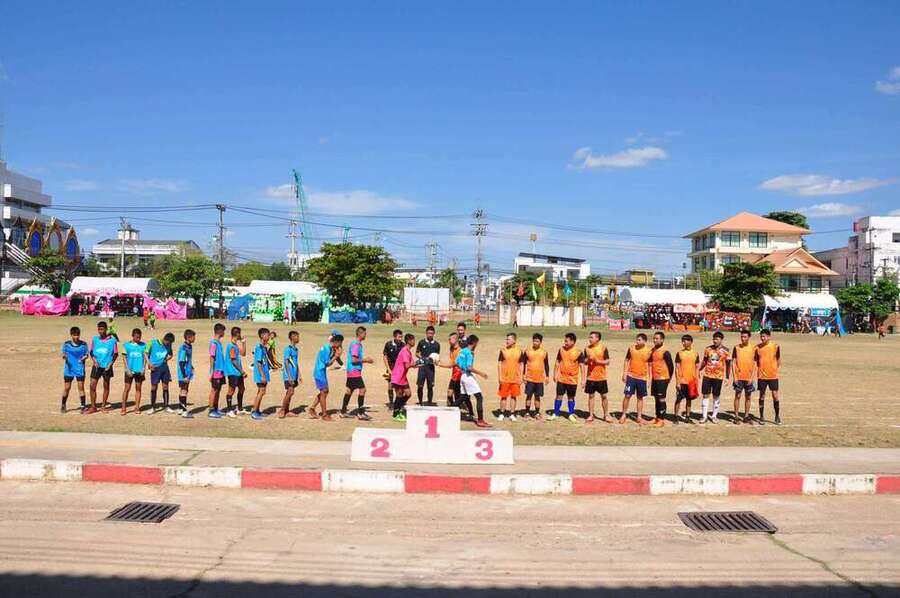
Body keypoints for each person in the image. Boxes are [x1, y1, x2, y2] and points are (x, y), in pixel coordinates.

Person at [455, 334, 491, 428]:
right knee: (479, 397)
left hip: (463, 376)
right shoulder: (469, 353)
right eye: (477, 343)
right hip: (468, 376)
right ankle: (480, 420)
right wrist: (481, 373)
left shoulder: (462, 350)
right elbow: (469, 367)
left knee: (463, 397)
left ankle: (447, 411)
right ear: (474, 342)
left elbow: (457, 362)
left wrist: (462, 368)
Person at [619, 333, 652, 425]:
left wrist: (650, 378)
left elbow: (650, 365)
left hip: (642, 378)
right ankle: (623, 415)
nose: (637, 341)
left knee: (640, 397)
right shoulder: (631, 349)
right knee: (627, 395)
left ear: (644, 341)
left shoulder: (649, 351)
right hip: (631, 377)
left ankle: (639, 417)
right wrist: (624, 373)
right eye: (636, 339)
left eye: (639, 340)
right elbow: (626, 360)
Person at [342, 326, 374, 420]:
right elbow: (354, 360)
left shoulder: (356, 344)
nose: (365, 335)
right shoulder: (356, 344)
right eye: (364, 333)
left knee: (349, 390)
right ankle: (360, 413)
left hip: (351, 371)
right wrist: (366, 360)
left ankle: (343, 412)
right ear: (360, 334)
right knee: (362, 389)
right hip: (354, 371)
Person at [309, 334, 344, 420]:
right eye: (340, 344)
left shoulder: (330, 348)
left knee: (325, 391)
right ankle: (324, 415)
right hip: (319, 372)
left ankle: (312, 408)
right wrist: (336, 356)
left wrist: (336, 355)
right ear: (336, 342)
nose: (340, 346)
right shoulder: (327, 349)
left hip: (321, 372)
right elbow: (328, 364)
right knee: (324, 392)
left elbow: (331, 361)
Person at [699, 331, 730, 424]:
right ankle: (704, 416)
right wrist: (699, 370)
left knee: (716, 396)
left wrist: (727, 377)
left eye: (717, 339)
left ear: (721, 340)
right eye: (714, 339)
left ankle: (714, 416)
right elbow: (704, 361)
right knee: (705, 395)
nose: (715, 341)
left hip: (718, 377)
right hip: (707, 375)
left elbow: (728, 365)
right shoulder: (708, 349)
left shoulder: (726, 350)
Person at [582, 331, 612, 423]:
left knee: (604, 396)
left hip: (601, 377)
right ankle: (591, 415)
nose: (590, 339)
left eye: (591, 337)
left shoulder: (603, 348)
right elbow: (584, 362)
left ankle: (606, 415)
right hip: (590, 377)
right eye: (589, 337)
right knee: (591, 396)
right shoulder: (587, 349)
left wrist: (597, 361)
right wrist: (588, 360)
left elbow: (607, 361)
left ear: (597, 338)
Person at [551, 332, 582, 422]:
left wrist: (583, 379)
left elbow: (582, 366)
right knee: (558, 396)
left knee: (571, 397)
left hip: (572, 380)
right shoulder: (561, 350)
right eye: (564, 341)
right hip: (561, 379)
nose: (565, 343)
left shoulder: (578, 352)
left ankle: (571, 414)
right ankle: (555, 413)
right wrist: (555, 374)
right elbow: (557, 362)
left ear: (573, 342)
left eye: (566, 341)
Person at [89, 321, 118, 413]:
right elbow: (91, 352)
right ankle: (93, 407)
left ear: (106, 329)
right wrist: (94, 361)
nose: (100, 331)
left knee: (106, 387)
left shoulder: (112, 341)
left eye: (102, 329)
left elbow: (115, 354)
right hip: (96, 366)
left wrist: (110, 364)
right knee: (92, 385)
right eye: (99, 329)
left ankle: (103, 406)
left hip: (106, 367)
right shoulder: (95, 339)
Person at [755, 329, 782, 425]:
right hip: (762, 376)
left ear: (769, 337)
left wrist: (774, 369)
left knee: (775, 395)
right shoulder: (757, 347)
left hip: (773, 376)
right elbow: (756, 361)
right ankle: (761, 416)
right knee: (762, 395)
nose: (762, 338)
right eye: (761, 336)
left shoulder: (775, 346)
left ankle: (777, 416)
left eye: (764, 336)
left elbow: (778, 359)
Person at [390, 333, 419, 421]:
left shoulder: (408, 351)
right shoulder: (405, 351)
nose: (414, 342)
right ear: (409, 341)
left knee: (408, 394)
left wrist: (422, 362)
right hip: (398, 376)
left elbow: (412, 364)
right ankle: (396, 414)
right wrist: (414, 364)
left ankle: (399, 407)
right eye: (413, 340)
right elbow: (407, 365)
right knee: (399, 395)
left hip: (403, 377)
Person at [495, 332, 523, 421]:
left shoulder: (519, 351)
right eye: (506, 339)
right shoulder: (503, 350)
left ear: (514, 340)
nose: (507, 341)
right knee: (503, 396)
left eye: (509, 339)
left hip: (515, 379)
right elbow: (499, 363)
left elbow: (521, 364)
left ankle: (512, 414)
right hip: (505, 378)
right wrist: (500, 376)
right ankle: (501, 413)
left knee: (514, 397)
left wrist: (521, 377)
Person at [60, 326, 89, 413]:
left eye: (77, 335)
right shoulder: (66, 344)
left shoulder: (84, 344)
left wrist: (83, 358)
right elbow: (63, 354)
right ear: (71, 335)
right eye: (74, 335)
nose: (76, 337)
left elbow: (86, 355)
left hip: (80, 369)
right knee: (67, 388)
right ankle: (63, 405)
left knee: (81, 388)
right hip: (69, 369)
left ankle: (83, 406)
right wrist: (64, 357)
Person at [731, 329, 757, 425]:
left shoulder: (754, 348)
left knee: (748, 397)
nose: (743, 338)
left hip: (749, 377)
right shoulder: (736, 348)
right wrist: (735, 377)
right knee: (737, 396)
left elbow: (755, 364)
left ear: (749, 337)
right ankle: (736, 416)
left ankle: (746, 416)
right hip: (739, 377)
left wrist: (751, 378)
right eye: (742, 337)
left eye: (745, 337)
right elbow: (733, 362)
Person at [649, 331, 674, 427]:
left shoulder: (665, 352)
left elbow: (671, 366)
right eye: (654, 338)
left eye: (657, 338)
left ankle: (662, 419)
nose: (655, 340)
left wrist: (668, 379)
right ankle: (657, 417)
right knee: (656, 397)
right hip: (655, 378)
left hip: (663, 378)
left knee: (661, 398)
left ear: (662, 340)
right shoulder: (653, 350)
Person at [673, 334, 700, 424]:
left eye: (685, 341)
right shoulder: (679, 353)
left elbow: (697, 367)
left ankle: (688, 417)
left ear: (690, 342)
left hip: (691, 381)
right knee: (678, 399)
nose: (683, 343)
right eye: (682, 341)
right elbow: (677, 368)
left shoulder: (695, 354)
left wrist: (696, 380)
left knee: (689, 399)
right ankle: (676, 417)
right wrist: (677, 382)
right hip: (682, 381)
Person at [523, 333, 549, 420]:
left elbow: (546, 365)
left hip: (539, 379)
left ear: (540, 342)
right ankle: (527, 412)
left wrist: (547, 376)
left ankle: (537, 413)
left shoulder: (544, 352)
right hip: (529, 378)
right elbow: (524, 364)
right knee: (529, 396)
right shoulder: (527, 351)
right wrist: (523, 375)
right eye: (534, 341)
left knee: (537, 397)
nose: (535, 342)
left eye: (537, 341)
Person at [121, 328, 147, 415]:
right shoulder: (126, 345)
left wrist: (143, 368)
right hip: (129, 371)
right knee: (127, 389)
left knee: (138, 389)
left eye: (140, 337)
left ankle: (137, 407)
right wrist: (127, 369)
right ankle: (123, 408)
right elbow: (124, 357)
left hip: (139, 371)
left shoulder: (143, 345)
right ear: (133, 336)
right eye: (137, 337)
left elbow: (145, 357)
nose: (138, 339)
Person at [147, 332, 175, 413]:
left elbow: (171, 354)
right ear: (165, 339)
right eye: (168, 343)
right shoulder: (152, 342)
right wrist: (149, 363)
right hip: (155, 368)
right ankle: (152, 407)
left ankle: (166, 406)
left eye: (170, 344)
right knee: (154, 387)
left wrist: (166, 359)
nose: (169, 345)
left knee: (165, 387)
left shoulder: (169, 345)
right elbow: (145, 353)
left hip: (164, 368)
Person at [224, 327, 247, 417]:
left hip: (238, 372)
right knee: (231, 390)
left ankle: (239, 409)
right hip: (233, 372)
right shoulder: (231, 346)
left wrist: (244, 343)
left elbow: (243, 354)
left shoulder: (236, 345)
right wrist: (242, 371)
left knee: (242, 388)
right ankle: (229, 410)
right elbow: (233, 361)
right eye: (239, 333)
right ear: (237, 334)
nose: (240, 335)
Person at [415, 325, 441, 406]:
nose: (430, 335)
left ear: (434, 334)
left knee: (430, 386)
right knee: (420, 386)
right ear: (426, 333)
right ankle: (420, 402)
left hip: (431, 368)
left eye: (431, 333)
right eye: (429, 333)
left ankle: (429, 402)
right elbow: (417, 353)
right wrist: (423, 358)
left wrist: (435, 360)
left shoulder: (437, 344)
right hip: (422, 367)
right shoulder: (421, 342)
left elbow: (437, 356)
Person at [279, 330, 302, 418]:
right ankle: (282, 410)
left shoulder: (296, 350)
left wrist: (299, 375)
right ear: (292, 337)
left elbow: (296, 363)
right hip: (288, 376)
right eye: (297, 336)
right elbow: (286, 363)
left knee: (290, 393)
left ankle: (287, 411)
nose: (298, 338)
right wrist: (289, 377)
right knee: (290, 392)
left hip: (294, 375)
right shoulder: (288, 349)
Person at [251, 327, 271, 421]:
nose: (269, 337)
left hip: (264, 373)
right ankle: (254, 412)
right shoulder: (259, 347)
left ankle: (257, 410)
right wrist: (262, 375)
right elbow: (258, 363)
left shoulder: (263, 347)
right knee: (261, 391)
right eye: (268, 335)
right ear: (262, 336)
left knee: (261, 391)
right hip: (260, 374)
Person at [208, 323, 227, 418]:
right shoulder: (213, 343)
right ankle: (211, 410)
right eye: (223, 331)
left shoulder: (218, 342)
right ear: (219, 331)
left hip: (221, 370)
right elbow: (212, 357)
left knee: (218, 390)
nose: (224, 333)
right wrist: (211, 372)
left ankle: (216, 408)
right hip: (216, 371)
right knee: (214, 390)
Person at [439, 332, 463, 409]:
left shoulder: (460, 351)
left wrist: (440, 364)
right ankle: (451, 409)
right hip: (454, 375)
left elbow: (452, 364)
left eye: (450, 339)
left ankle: (456, 410)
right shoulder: (452, 349)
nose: (449, 340)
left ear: (456, 340)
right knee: (449, 394)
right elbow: (451, 363)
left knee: (457, 395)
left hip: (459, 376)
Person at [382, 329, 404, 410]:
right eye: (399, 337)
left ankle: (399, 404)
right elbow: (385, 357)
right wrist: (388, 369)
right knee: (390, 386)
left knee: (400, 387)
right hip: (391, 368)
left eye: (401, 337)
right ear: (394, 337)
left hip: (400, 369)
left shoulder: (403, 345)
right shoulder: (388, 344)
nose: (400, 339)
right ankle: (391, 403)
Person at [176, 329, 195, 418]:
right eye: (193, 337)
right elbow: (181, 362)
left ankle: (180, 409)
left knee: (184, 390)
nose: (194, 338)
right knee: (184, 391)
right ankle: (184, 411)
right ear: (188, 337)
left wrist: (191, 366)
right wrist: (184, 376)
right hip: (184, 374)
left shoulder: (189, 346)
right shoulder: (184, 347)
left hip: (187, 372)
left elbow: (187, 360)